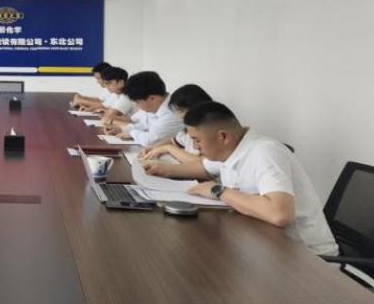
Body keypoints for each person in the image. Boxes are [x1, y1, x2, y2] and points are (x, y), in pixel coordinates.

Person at [144, 102, 339, 256]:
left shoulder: (265, 153)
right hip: (265, 243)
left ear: (223, 137)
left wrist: (218, 191)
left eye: (197, 140)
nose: (195, 147)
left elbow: (280, 214)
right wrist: (166, 170)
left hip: (307, 258)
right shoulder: (232, 149)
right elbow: (203, 168)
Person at [103, 71, 183, 147]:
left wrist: (131, 133)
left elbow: (150, 141)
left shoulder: (174, 112)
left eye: (137, 102)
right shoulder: (156, 106)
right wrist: (121, 129)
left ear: (152, 98)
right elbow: (143, 125)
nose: (137, 107)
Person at [139, 84, 212, 164]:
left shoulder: (210, 131)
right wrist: (152, 148)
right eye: (178, 111)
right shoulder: (188, 129)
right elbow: (173, 141)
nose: (180, 116)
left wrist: (168, 148)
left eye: (182, 111)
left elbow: (202, 163)